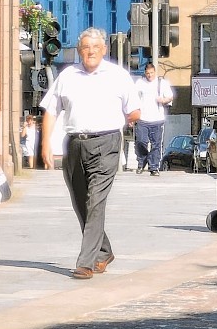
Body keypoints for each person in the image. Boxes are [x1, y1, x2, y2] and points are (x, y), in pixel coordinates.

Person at [39, 28, 141, 280]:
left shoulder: (118, 76)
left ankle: (87, 261)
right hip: (74, 144)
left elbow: (135, 111)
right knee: (80, 201)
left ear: (104, 49)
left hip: (106, 142)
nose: (91, 51)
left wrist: (125, 120)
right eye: (86, 47)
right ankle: (104, 250)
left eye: (95, 47)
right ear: (79, 50)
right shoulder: (68, 76)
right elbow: (51, 110)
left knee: (96, 200)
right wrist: (44, 145)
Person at [133, 64, 173, 175]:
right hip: (142, 118)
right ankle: (141, 162)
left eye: (151, 73)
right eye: (147, 73)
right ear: (145, 73)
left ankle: (154, 167)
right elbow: (133, 98)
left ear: (155, 72)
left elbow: (170, 97)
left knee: (156, 144)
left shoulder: (162, 83)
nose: (150, 75)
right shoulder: (140, 83)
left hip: (157, 119)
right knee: (141, 141)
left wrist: (163, 100)